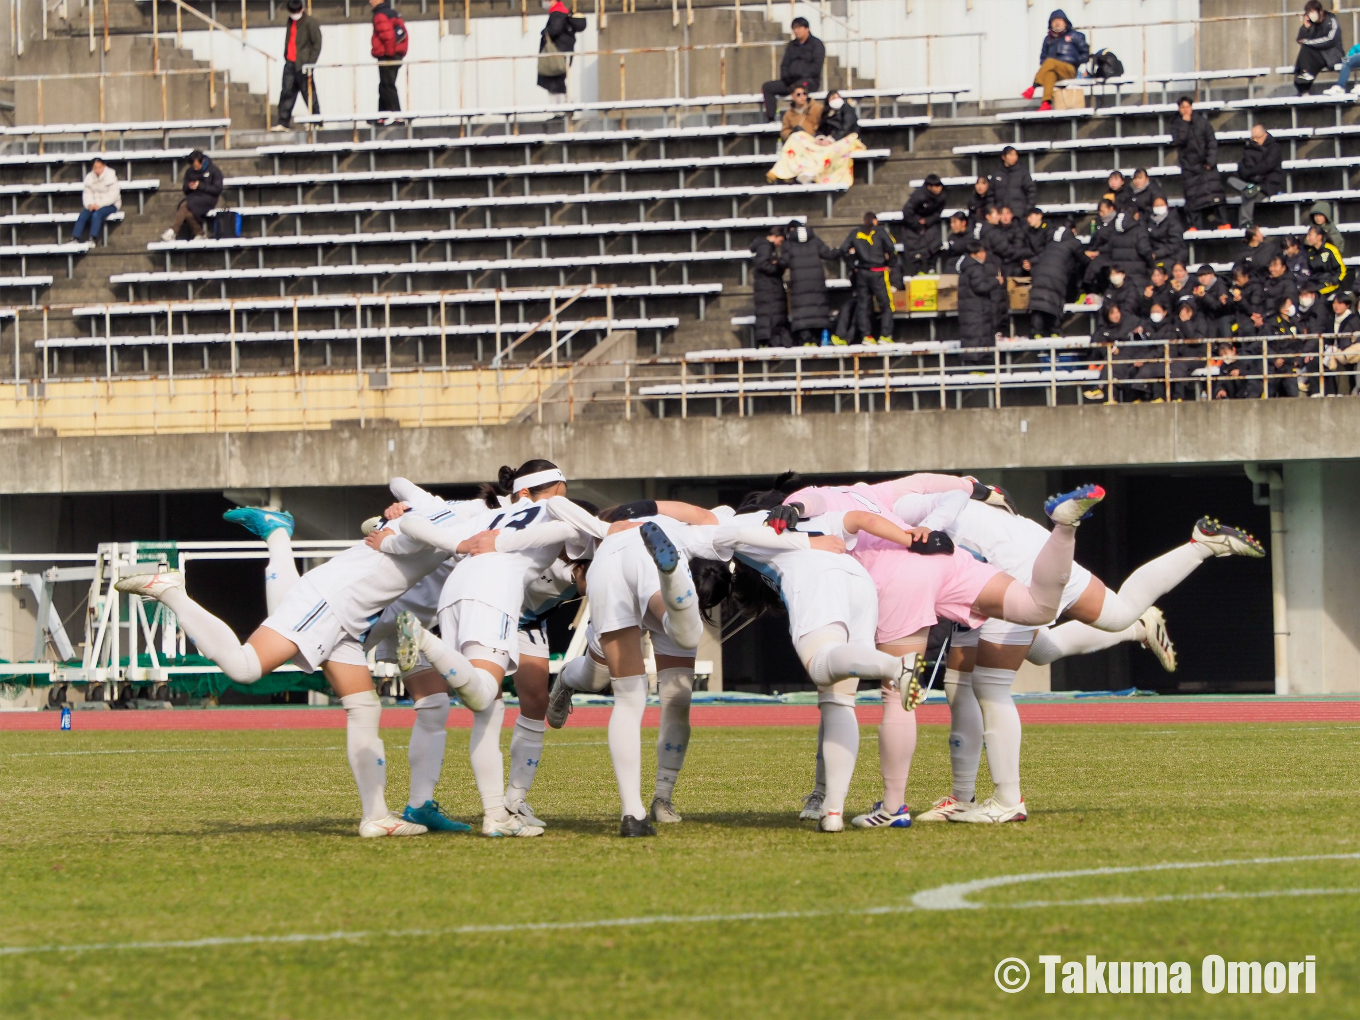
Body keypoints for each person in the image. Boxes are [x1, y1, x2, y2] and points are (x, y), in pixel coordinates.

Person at [884, 478, 1260, 824]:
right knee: (1106, 620)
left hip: (1002, 569)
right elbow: (975, 492)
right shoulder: (905, 496)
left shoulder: (884, 511)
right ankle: (1197, 550)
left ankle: (1006, 801)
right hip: (1029, 547)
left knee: (989, 685)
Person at [381, 461, 609, 836]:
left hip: (466, 594)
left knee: (498, 706)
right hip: (496, 598)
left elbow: (422, 517)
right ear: (525, 493)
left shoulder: (500, 520)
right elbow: (591, 532)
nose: (561, 501)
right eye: (557, 495)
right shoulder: (538, 518)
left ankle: (503, 810)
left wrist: (390, 530)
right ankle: (424, 641)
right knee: (485, 697)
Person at [839, 212, 899, 345]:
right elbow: (891, 247)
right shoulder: (880, 231)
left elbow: (843, 249)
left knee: (863, 305)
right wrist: (891, 264)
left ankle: (866, 336)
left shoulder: (855, 233)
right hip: (878, 272)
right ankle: (885, 335)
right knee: (886, 304)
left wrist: (851, 265)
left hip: (861, 273)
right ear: (875, 221)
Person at [1169, 96, 1226, 230]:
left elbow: (1211, 141)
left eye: (1188, 106)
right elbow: (1180, 141)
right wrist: (1184, 123)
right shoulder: (1176, 124)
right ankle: (1194, 225)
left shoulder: (1202, 122)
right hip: (1190, 168)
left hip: (1207, 166)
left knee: (1215, 194)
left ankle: (1223, 222)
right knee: (1193, 198)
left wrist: (1210, 161)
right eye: (1183, 107)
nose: (1186, 110)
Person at [782, 221, 840, 345]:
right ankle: (817, 338)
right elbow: (828, 254)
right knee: (817, 311)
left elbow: (783, 262)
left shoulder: (788, 244)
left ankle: (806, 339)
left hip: (799, 285)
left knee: (803, 312)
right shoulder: (815, 240)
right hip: (817, 284)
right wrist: (843, 250)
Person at [1022, 9, 1088, 112]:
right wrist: (1047, 65)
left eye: (1060, 20)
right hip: (1054, 70)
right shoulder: (1048, 39)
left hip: (1069, 69)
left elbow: (1085, 55)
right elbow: (1042, 58)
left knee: (1050, 61)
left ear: (1065, 22)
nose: (1057, 23)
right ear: (1050, 24)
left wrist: (1075, 60)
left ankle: (1033, 87)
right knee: (1049, 74)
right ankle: (1046, 103)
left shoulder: (1076, 36)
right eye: (1054, 21)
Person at [762, 18, 825, 121]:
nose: (796, 31)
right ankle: (771, 118)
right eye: (794, 28)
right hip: (790, 82)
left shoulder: (817, 44)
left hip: (809, 81)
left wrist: (800, 75)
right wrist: (786, 77)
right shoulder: (791, 45)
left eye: (799, 28)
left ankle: (802, 119)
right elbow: (784, 65)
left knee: (800, 88)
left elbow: (816, 67)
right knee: (768, 87)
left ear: (807, 29)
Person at [1027, 220, 1082, 336]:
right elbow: (1083, 259)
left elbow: (1041, 256)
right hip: (1057, 277)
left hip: (1040, 275)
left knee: (1038, 304)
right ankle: (1055, 330)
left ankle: (1036, 332)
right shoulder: (1073, 242)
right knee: (1056, 301)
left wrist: (1030, 262)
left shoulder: (1051, 244)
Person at [274, 0, 322, 131]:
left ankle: (317, 122)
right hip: (290, 62)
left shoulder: (310, 23)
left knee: (309, 93)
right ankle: (283, 122)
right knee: (286, 93)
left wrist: (310, 63)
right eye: (292, 12)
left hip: (304, 64)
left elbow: (317, 44)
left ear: (302, 9)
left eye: (296, 11)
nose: (294, 14)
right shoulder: (290, 21)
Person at [1225, 125, 1283, 229]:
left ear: (1265, 135)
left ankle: (1245, 222)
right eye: (1253, 137)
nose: (1255, 140)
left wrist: (1251, 173)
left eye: (1257, 137)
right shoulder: (1249, 148)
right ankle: (1249, 187)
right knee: (1231, 180)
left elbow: (1267, 166)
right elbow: (1242, 166)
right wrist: (1248, 174)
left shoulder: (1274, 148)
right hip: (1251, 182)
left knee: (1248, 194)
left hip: (1267, 184)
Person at [957, 242, 1007, 358]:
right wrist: (996, 281)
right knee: (978, 346)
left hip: (971, 313)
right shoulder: (975, 269)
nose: (985, 255)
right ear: (976, 254)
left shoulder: (966, 268)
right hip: (978, 313)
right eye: (983, 252)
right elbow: (981, 287)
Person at [161, 149, 222, 242]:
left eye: (197, 166)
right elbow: (185, 189)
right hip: (194, 197)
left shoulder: (214, 170)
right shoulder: (190, 172)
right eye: (193, 166)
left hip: (209, 198)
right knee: (189, 213)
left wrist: (200, 186)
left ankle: (173, 231)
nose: (195, 168)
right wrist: (190, 187)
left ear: (202, 161)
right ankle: (200, 233)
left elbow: (217, 189)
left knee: (185, 205)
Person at [750, 226, 791, 348]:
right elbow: (762, 264)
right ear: (775, 236)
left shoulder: (765, 246)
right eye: (781, 240)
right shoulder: (765, 246)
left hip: (767, 289)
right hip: (769, 289)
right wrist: (777, 267)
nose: (780, 244)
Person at [537, 0, 586, 101]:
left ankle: (561, 109)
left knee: (554, 83)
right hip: (563, 54)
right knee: (558, 82)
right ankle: (564, 106)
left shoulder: (557, 13)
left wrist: (544, 32)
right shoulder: (563, 12)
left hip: (557, 55)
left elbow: (554, 29)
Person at [899, 173, 947, 277]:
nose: (939, 189)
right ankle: (918, 270)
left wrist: (927, 221)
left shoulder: (942, 197)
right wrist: (917, 224)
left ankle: (932, 267)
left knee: (935, 241)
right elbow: (907, 212)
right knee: (914, 242)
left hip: (929, 222)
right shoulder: (919, 196)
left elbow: (938, 213)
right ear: (929, 187)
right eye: (936, 186)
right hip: (913, 223)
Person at [1294, 0, 1345, 95]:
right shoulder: (1311, 24)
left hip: (1333, 55)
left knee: (1307, 49)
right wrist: (1305, 27)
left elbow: (1330, 40)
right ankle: (1304, 83)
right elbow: (1300, 40)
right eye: (1309, 13)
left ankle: (1305, 79)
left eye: (1312, 12)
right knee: (1305, 50)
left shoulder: (1331, 21)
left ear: (1320, 11)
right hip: (1318, 55)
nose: (1310, 15)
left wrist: (1308, 42)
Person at [370, 0, 408, 115]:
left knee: (387, 86)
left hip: (388, 56)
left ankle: (397, 116)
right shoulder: (392, 13)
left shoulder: (380, 15)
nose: (370, 1)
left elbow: (388, 37)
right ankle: (382, 116)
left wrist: (389, 54)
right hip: (395, 54)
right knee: (384, 85)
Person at [72, 157, 120, 245]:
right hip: (94, 204)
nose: (98, 170)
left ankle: (92, 238)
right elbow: (87, 194)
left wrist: (99, 204)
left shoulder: (111, 176)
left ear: (104, 166)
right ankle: (75, 238)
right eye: (95, 168)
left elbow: (113, 195)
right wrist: (89, 204)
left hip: (110, 205)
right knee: (83, 215)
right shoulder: (89, 178)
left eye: (100, 167)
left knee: (97, 214)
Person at [987, 147, 1036, 217]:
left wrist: (1027, 209)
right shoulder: (997, 174)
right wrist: (993, 210)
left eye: (1015, 155)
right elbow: (990, 195)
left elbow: (1031, 191)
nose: (1013, 157)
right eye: (1010, 155)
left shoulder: (1023, 173)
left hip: (1019, 214)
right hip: (1000, 215)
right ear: (1003, 157)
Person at [1304, 223, 1347, 296]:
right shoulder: (1309, 252)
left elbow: (1342, 270)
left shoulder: (1331, 250)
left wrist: (1334, 281)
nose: (1307, 238)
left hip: (1329, 284)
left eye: (1310, 235)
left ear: (1319, 237)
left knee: (1315, 296)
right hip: (1314, 284)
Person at [1146, 194, 1187, 269]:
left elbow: (1175, 244)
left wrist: (1157, 254)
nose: (1159, 207)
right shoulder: (1149, 221)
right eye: (1156, 205)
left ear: (1167, 206)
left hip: (1172, 256)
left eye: (1161, 205)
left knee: (1160, 267)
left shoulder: (1173, 221)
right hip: (1155, 257)